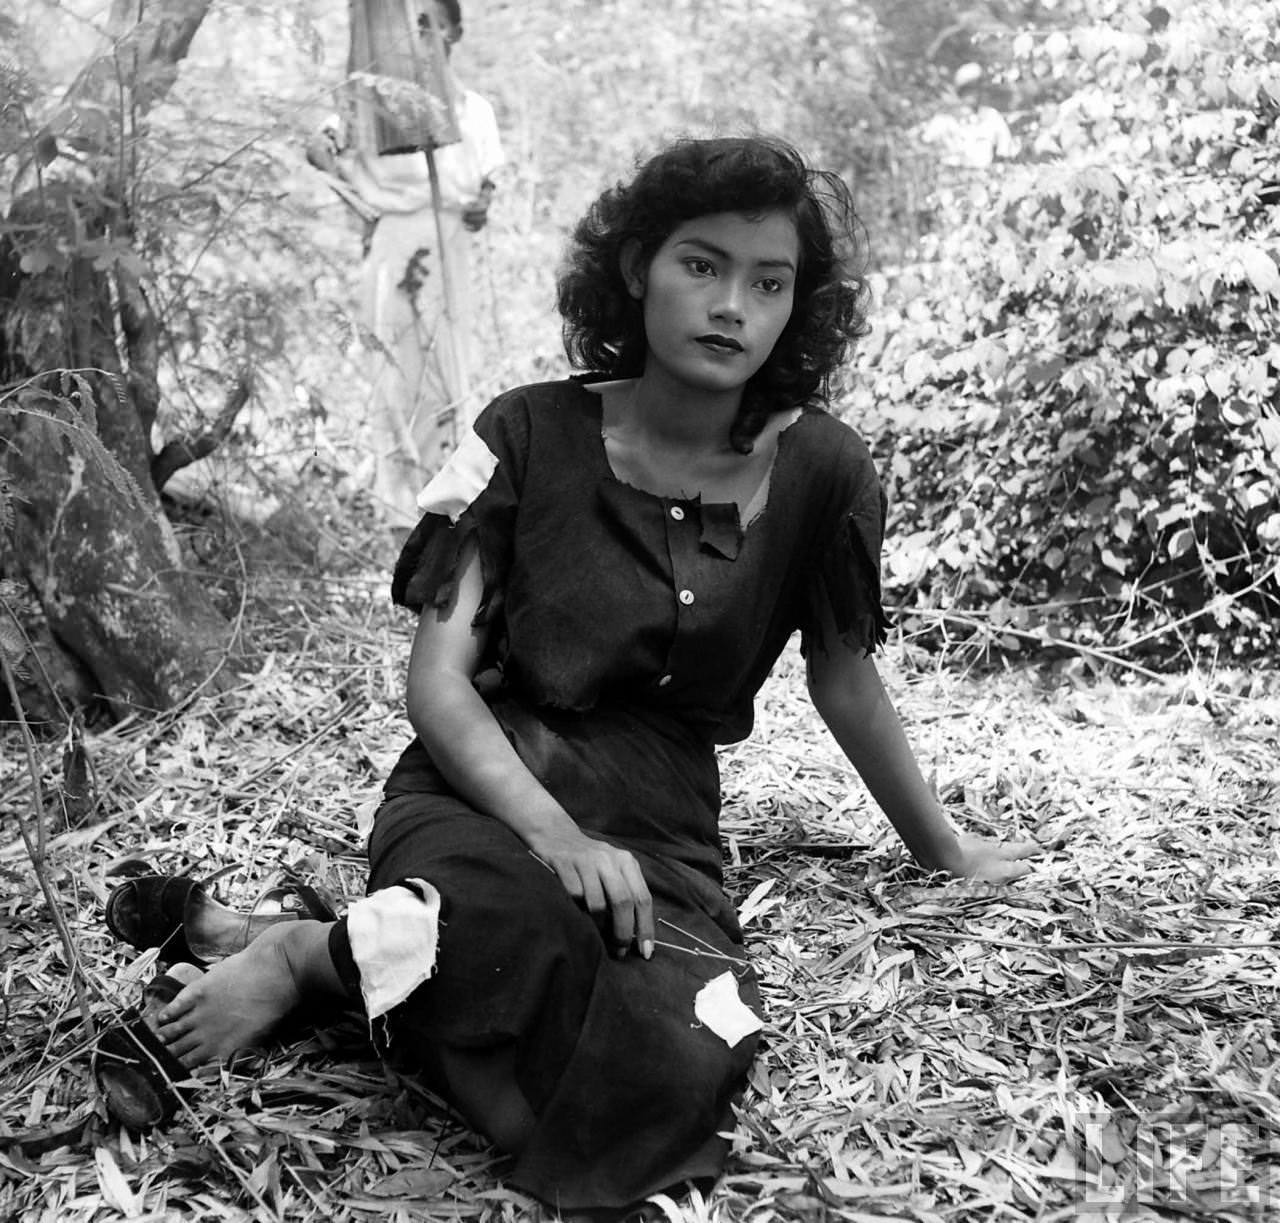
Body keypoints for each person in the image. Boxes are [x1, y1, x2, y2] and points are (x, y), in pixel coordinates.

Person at [109, 136, 1038, 1218]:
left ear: (797, 305)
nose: (731, 303)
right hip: (480, 783)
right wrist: (557, 837)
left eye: (768, 281)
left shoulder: (825, 469)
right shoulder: (523, 432)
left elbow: (845, 681)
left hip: (661, 825)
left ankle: (308, 942)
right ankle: (307, 959)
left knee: (681, 1061)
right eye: (701, 264)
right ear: (637, 264)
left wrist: (944, 848)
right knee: (510, 934)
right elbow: (439, 684)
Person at [309, 0, 504, 529]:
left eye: (429, 27)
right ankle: (399, 506)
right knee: (394, 370)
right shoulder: (372, 106)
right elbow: (320, 148)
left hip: (450, 246)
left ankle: (454, 499)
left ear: (453, 33)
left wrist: (480, 204)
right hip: (395, 242)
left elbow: (484, 188)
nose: (419, 41)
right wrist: (360, 202)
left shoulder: (473, 110)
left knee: (450, 364)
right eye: (408, 28)